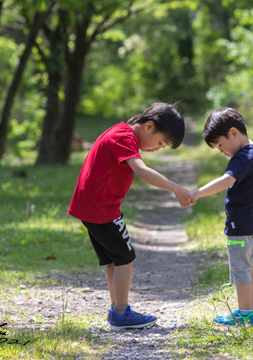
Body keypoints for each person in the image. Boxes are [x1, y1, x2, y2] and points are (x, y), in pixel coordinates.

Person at [68, 102, 194, 330]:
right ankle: (121, 313)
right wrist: (176, 188)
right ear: (149, 126)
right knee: (126, 258)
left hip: (92, 206)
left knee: (116, 260)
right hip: (102, 208)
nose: (157, 148)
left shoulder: (120, 132)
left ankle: (118, 308)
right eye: (160, 143)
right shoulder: (124, 137)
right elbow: (142, 171)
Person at [191, 107, 253, 326]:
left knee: (241, 271)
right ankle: (249, 312)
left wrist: (197, 193)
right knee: (248, 268)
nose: (222, 151)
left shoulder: (242, 158)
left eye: (220, 145)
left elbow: (226, 180)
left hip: (240, 226)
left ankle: (244, 314)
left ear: (233, 133)